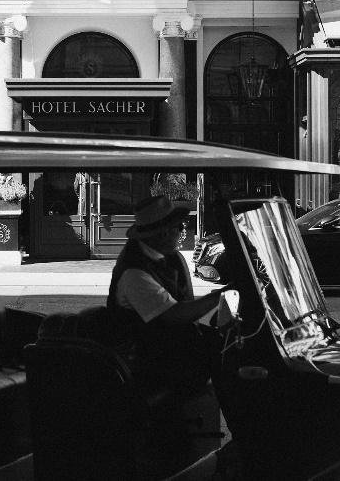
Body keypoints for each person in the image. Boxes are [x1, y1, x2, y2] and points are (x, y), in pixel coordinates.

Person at [106, 195, 224, 476]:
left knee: (231, 346)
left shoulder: (172, 258)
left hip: (170, 347)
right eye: (178, 227)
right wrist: (219, 297)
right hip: (144, 359)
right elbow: (174, 316)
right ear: (160, 234)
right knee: (224, 356)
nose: (182, 231)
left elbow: (185, 311)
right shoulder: (134, 271)